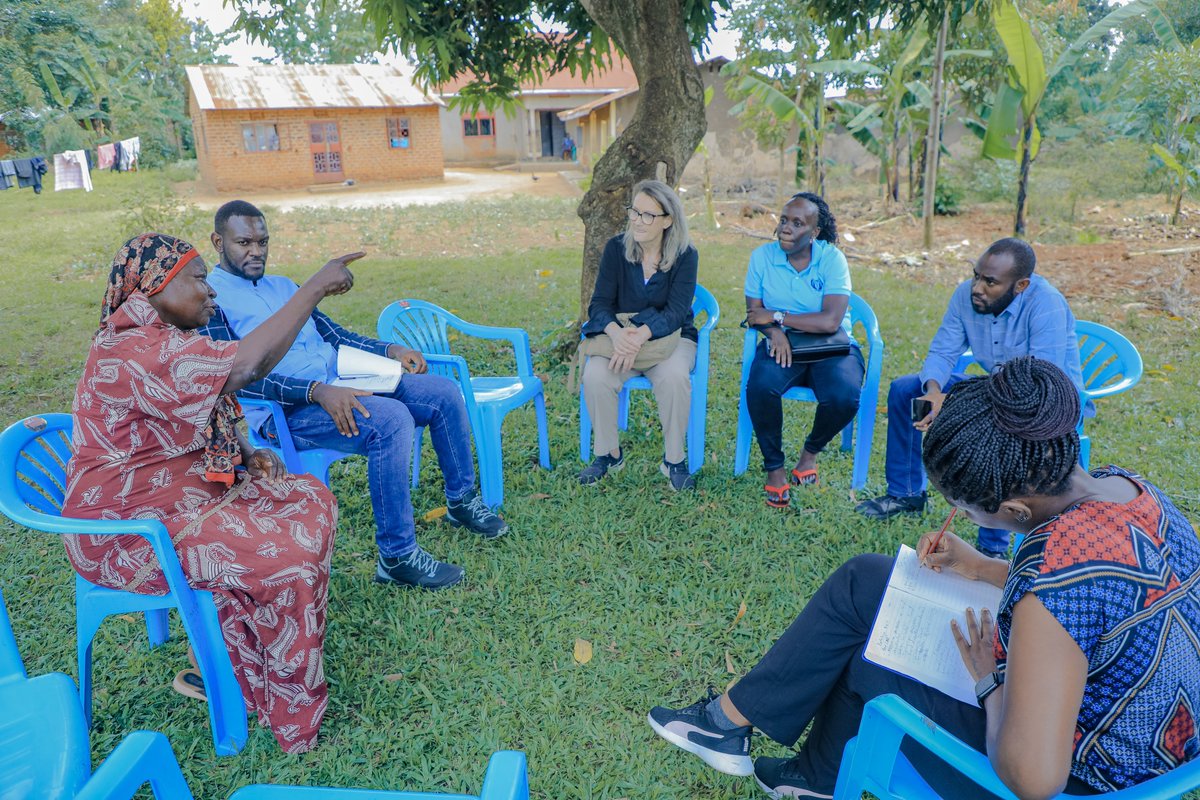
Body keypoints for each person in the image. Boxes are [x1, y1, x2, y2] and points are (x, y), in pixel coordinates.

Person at [649, 357, 1200, 799]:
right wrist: (981, 568)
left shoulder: (1054, 584)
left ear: (1011, 509)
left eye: (963, 504)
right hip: (1155, 740)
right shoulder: (1126, 488)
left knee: (872, 650)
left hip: (1093, 778)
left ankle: (775, 751)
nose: (957, 513)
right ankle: (790, 761)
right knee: (870, 582)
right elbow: (1103, 595)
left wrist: (989, 681)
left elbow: (1034, 779)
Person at [62, 233, 359, 753]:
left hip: (183, 501)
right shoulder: (131, 349)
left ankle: (242, 663)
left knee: (307, 499)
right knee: (285, 555)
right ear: (154, 287)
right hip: (126, 532)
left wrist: (245, 452)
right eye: (198, 279)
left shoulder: (166, 337)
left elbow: (215, 400)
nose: (210, 292)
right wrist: (311, 289)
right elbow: (242, 367)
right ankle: (281, 703)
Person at [198, 200, 506, 591]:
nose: (256, 251)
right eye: (244, 242)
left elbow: (334, 336)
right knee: (391, 421)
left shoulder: (283, 286)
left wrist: (389, 350)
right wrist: (315, 391)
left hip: (342, 383)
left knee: (443, 392)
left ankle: (461, 501)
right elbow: (236, 377)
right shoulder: (212, 301)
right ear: (217, 241)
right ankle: (396, 556)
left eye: (263, 241)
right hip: (289, 413)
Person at [855, 237, 1085, 558]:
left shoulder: (1046, 304)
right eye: (977, 275)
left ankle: (992, 546)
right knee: (907, 390)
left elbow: (1036, 383)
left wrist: (953, 400)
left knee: (999, 430)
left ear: (1020, 285)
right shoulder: (966, 296)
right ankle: (906, 492)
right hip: (996, 384)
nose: (977, 287)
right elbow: (942, 350)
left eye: (990, 282)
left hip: (1045, 401)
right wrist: (935, 393)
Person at [743, 192, 863, 508]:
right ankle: (775, 469)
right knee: (760, 387)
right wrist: (774, 333)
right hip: (785, 345)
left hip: (832, 347)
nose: (786, 228)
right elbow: (754, 313)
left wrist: (779, 317)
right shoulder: (762, 258)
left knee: (844, 397)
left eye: (798, 223)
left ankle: (809, 456)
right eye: (783, 220)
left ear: (815, 232)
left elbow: (831, 321)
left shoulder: (832, 258)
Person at [578, 179, 699, 491]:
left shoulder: (686, 255)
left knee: (674, 378)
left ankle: (674, 459)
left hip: (671, 339)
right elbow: (599, 304)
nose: (638, 221)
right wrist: (618, 334)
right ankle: (608, 454)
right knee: (595, 376)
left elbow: (676, 311)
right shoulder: (616, 249)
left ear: (668, 221)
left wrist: (639, 334)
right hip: (622, 338)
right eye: (634, 212)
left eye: (648, 216)